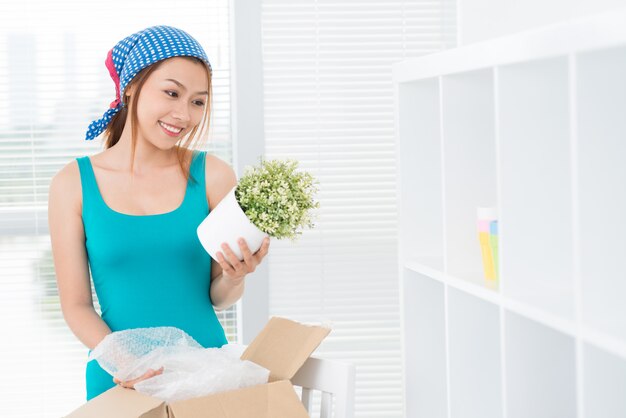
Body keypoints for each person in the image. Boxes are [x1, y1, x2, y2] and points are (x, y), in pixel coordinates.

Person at [47, 25, 270, 401]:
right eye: (171, 93)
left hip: (206, 375)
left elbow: (218, 296)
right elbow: (76, 306)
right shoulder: (72, 184)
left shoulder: (214, 175)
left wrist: (236, 276)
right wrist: (129, 365)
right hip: (119, 378)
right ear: (131, 86)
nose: (183, 114)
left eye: (198, 101)